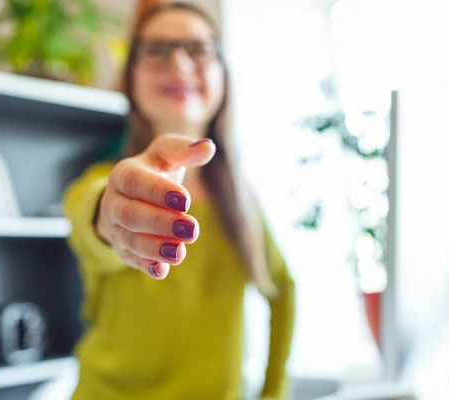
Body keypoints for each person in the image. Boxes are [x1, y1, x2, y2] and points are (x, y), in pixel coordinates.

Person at [63, 1, 296, 399]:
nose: (180, 64)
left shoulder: (241, 200)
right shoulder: (97, 185)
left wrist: (274, 391)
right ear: (130, 77)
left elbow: (284, 289)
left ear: (224, 74)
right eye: (156, 49)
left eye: (199, 49)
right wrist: (115, 217)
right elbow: (96, 222)